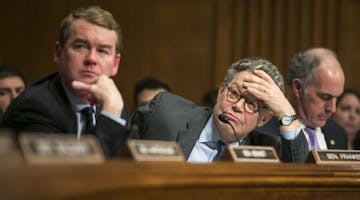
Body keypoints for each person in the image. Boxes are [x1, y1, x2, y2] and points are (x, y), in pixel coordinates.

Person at [1, 6, 128, 158]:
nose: (91, 59)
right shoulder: (34, 107)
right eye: (80, 46)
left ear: (115, 64)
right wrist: (112, 116)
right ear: (58, 53)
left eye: (102, 51)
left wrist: (113, 112)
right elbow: (80, 178)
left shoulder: (112, 103)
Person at [130, 58, 308, 163]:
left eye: (251, 104)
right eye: (234, 93)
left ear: (264, 119)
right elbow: (116, 152)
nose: (238, 105)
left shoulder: (267, 150)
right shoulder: (166, 112)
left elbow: (299, 182)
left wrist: (285, 110)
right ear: (222, 91)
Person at [258, 47, 347, 151]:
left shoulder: (338, 133)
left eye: (337, 98)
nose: (332, 109)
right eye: (325, 97)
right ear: (298, 88)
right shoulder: (264, 132)